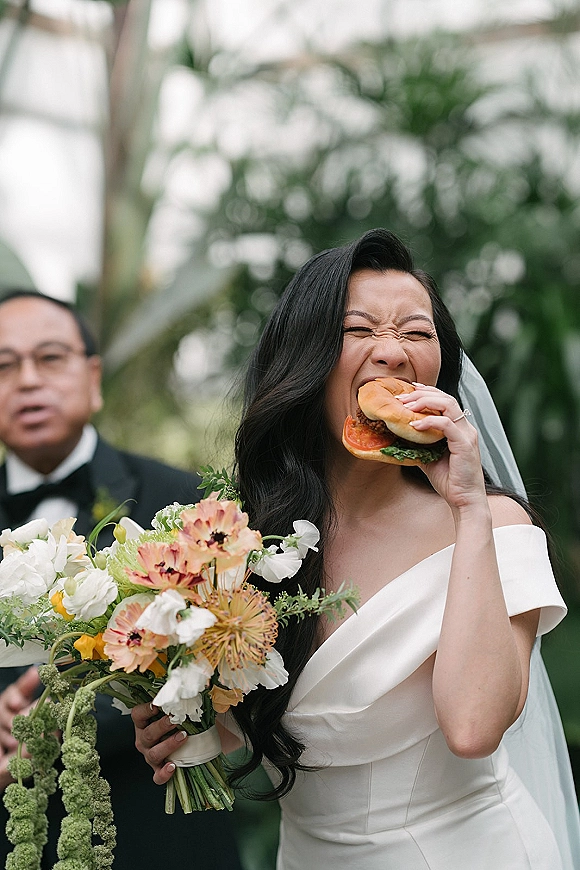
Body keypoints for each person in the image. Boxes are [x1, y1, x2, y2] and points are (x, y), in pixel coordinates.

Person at [132, 228, 580, 869]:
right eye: (359, 330)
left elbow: (475, 727)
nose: (391, 353)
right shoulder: (251, 539)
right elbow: (281, 715)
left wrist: (470, 508)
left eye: (417, 334)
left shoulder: (496, 526)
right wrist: (187, 727)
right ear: (306, 361)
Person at [0, 290, 243, 870]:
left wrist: (64, 716)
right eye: (4, 366)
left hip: (161, 833)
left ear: (93, 376)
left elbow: (226, 665)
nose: (28, 380)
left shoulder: (183, 506)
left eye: (50, 357)